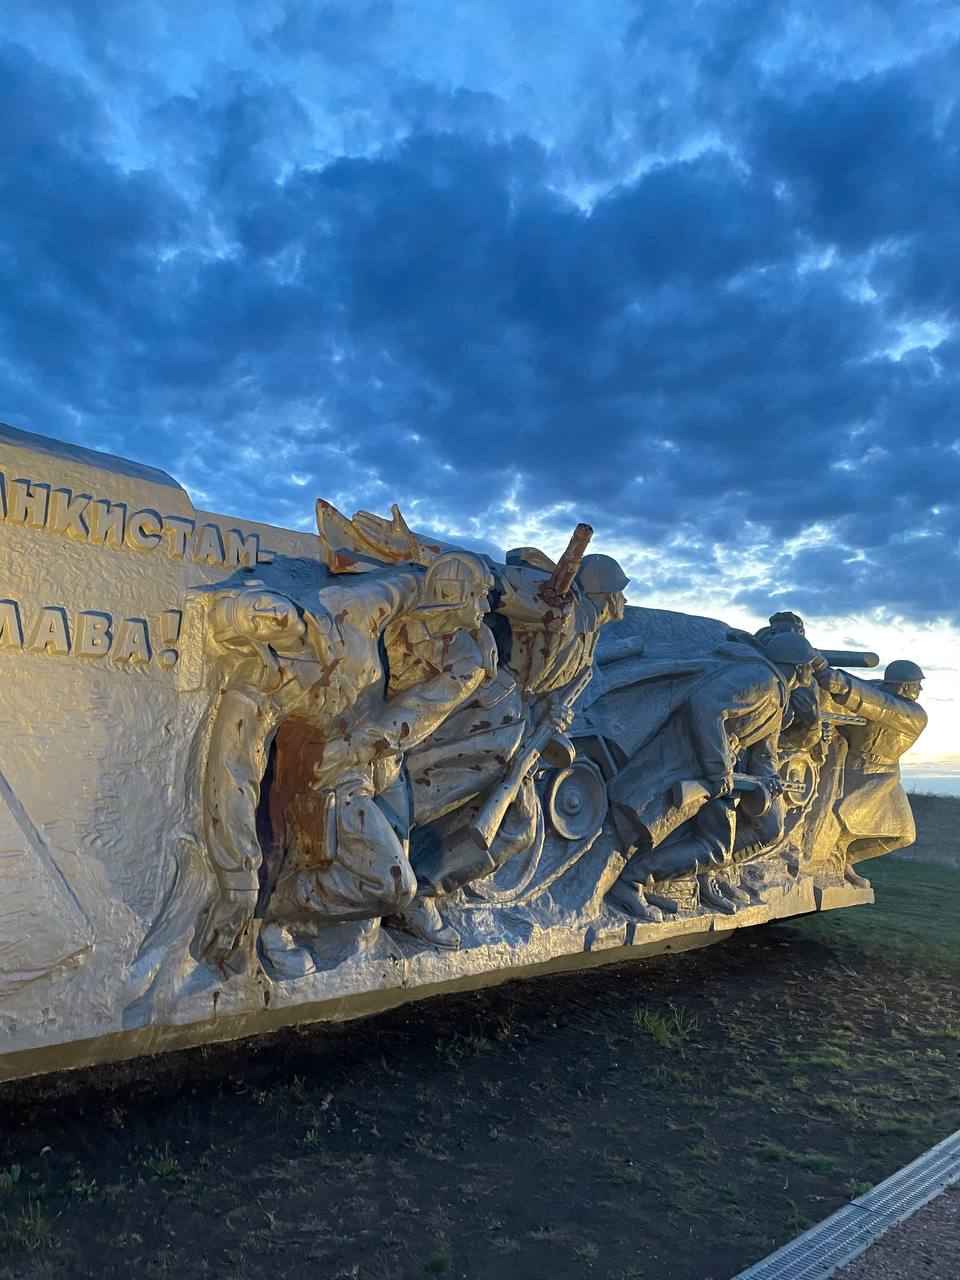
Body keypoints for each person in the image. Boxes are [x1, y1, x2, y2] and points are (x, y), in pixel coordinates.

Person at [397, 551, 629, 946]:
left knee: (517, 827)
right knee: (428, 797)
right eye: (619, 592)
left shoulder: (589, 636)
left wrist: (554, 715)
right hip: (488, 712)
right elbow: (489, 591)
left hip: (523, 731)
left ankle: (423, 887)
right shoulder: (558, 605)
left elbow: (555, 684)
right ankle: (387, 879)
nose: (623, 601)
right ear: (605, 593)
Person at [608, 632, 817, 916]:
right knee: (713, 848)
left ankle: (647, 880)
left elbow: (763, 754)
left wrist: (768, 782)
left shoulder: (779, 694)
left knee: (751, 835)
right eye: (809, 665)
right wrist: (718, 770)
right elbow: (705, 703)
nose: (811, 671)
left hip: (724, 771)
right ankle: (632, 880)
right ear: (799, 667)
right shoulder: (762, 679)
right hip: (700, 760)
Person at [815, 658, 927, 885]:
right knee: (841, 819)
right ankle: (826, 861)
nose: (921, 689)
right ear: (905, 686)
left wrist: (842, 684)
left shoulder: (914, 714)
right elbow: (862, 688)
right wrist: (824, 671)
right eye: (917, 684)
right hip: (856, 768)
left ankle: (841, 859)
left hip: (887, 774)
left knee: (904, 835)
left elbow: (882, 706)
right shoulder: (877, 690)